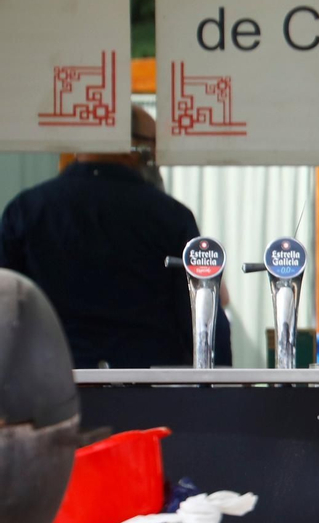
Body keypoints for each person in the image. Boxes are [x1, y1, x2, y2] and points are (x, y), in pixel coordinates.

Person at [0, 107, 232, 368]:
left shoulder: (25, 212)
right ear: (132, 146)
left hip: (53, 390)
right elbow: (204, 320)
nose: (157, 156)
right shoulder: (171, 218)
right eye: (154, 145)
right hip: (148, 396)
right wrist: (222, 391)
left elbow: (6, 308)